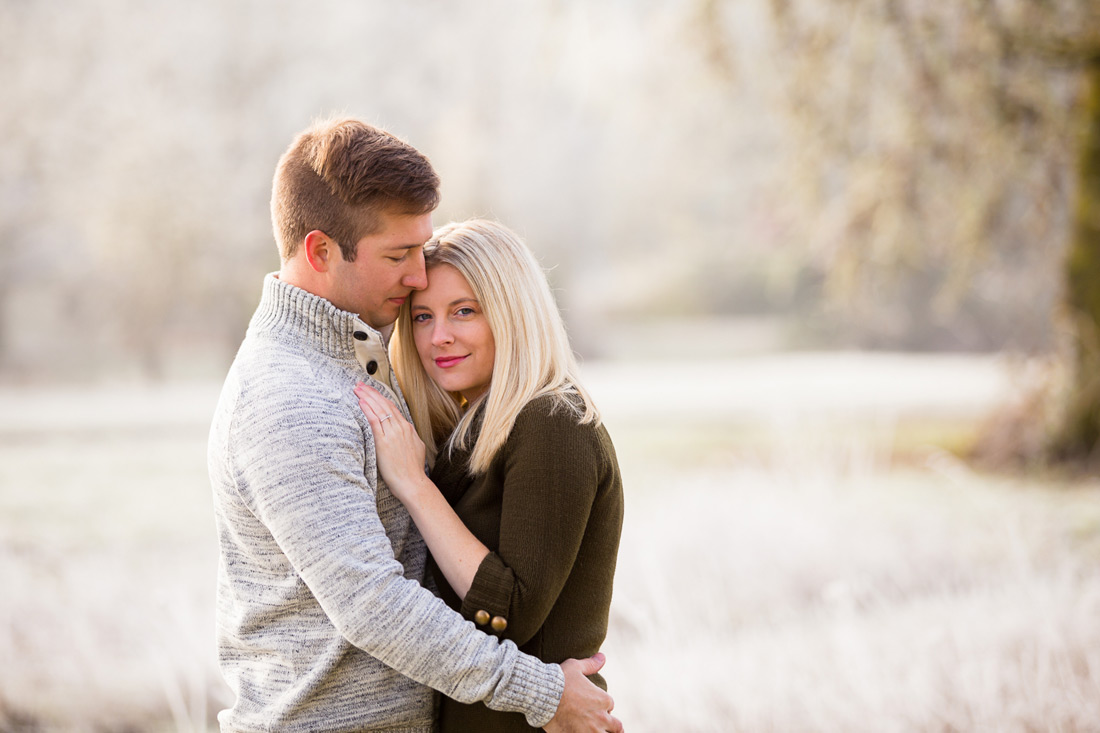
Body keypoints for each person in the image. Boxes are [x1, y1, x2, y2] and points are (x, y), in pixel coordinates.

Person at [208, 117, 622, 732]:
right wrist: (543, 693)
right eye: (399, 256)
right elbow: (372, 604)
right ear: (322, 250)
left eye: (420, 253)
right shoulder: (290, 397)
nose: (416, 275)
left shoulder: (356, 363)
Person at [354, 218, 625, 732]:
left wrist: (414, 486)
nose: (440, 337)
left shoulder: (552, 421)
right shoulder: (473, 428)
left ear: (512, 313)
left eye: (464, 311)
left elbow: (512, 613)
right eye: (422, 317)